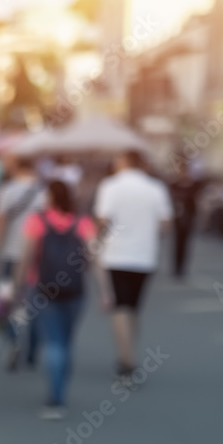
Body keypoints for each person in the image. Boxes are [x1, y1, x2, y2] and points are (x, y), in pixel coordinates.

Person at [12, 180, 102, 419]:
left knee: (53, 342)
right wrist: (107, 292)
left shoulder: (37, 221)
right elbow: (95, 259)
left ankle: (55, 397)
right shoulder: (82, 222)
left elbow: (26, 258)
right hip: (75, 291)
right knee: (66, 341)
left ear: (51, 197)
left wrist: (17, 288)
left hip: (43, 289)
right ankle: (61, 386)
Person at [93, 149, 172, 386]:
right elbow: (166, 224)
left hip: (116, 254)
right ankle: (128, 353)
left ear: (123, 162)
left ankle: (127, 361)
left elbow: (103, 220)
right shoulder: (156, 188)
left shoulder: (110, 186)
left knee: (120, 307)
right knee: (133, 307)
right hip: (145, 256)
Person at [0, 154, 45, 371]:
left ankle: (12, 341)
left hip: (11, 255)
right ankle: (33, 348)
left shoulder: (6, 192)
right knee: (35, 302)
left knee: (9, 301)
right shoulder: (45, 194)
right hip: (39, 258)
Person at [167, 161, 201, 279]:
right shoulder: (174, 184)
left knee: (186, 243)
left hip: (188, 217)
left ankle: (182, 267)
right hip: (177, 217)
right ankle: (176, 266)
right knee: (177, 243)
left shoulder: (194, 185)